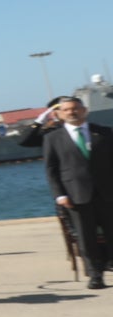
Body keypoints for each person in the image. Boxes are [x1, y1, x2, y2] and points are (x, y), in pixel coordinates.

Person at [42, 95, 113, 289]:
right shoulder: (52, 138)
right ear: (59, 114)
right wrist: (60, 195)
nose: (71, 112)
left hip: (108, 193)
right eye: (66, 110)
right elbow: (51, 169)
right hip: (76, 195)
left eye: (75, 108)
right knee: (86, 237)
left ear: (84, 111)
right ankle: (95, 275)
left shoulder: (104, 132)